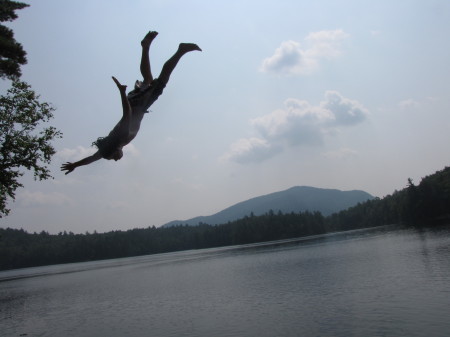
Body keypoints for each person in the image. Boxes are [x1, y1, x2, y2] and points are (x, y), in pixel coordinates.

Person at [61, 31, 201, 175]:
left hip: (139, 104)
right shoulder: (111, 145)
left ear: (116, 150)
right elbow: (91, 158)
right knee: (148, 79)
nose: (116, 160)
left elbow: (126, 113)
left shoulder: (123, 136)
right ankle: (146, 46)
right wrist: (75, 165)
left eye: (114, 158)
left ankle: (180, 51)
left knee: (162, 81)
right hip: (137, 102)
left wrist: (121, 93)